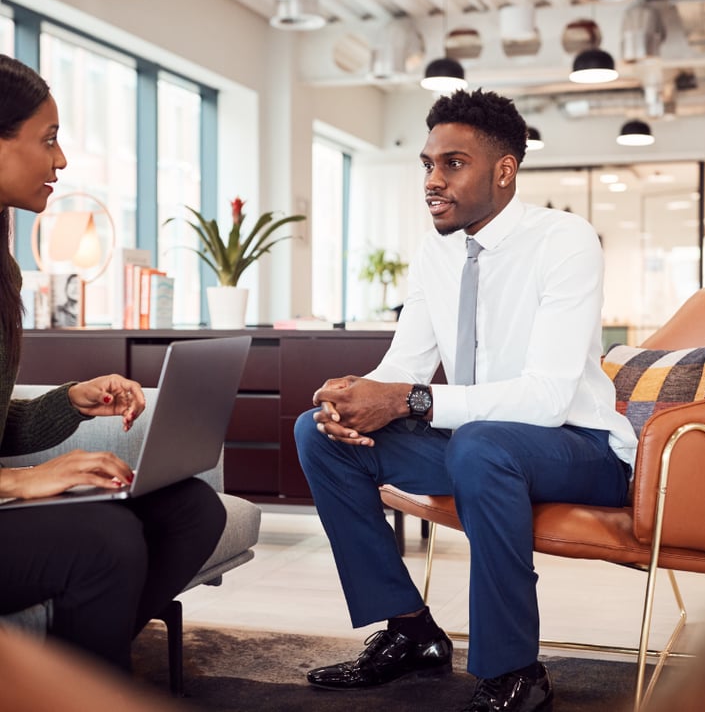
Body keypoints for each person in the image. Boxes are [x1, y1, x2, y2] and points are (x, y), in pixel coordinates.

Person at [294, 88, 638, 712]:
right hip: (478, 447)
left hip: (579, 449)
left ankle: (515, 674)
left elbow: (547, 397)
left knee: (483, 445)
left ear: (504, 170)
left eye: (452, 163)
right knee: (316, 430)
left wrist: (411, 400)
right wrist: (356, 395)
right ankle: (411, 631)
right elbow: (403, 365)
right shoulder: (437, 250)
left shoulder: (565, 240)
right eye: (427, 164)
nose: (432, 179)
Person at [0, 54, 226, 673]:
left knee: (193, 511)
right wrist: (19, 482)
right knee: (106, 540)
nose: (62, 161)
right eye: (48, 140)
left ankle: (69, 677)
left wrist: (68, 401)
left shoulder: (2, 265)